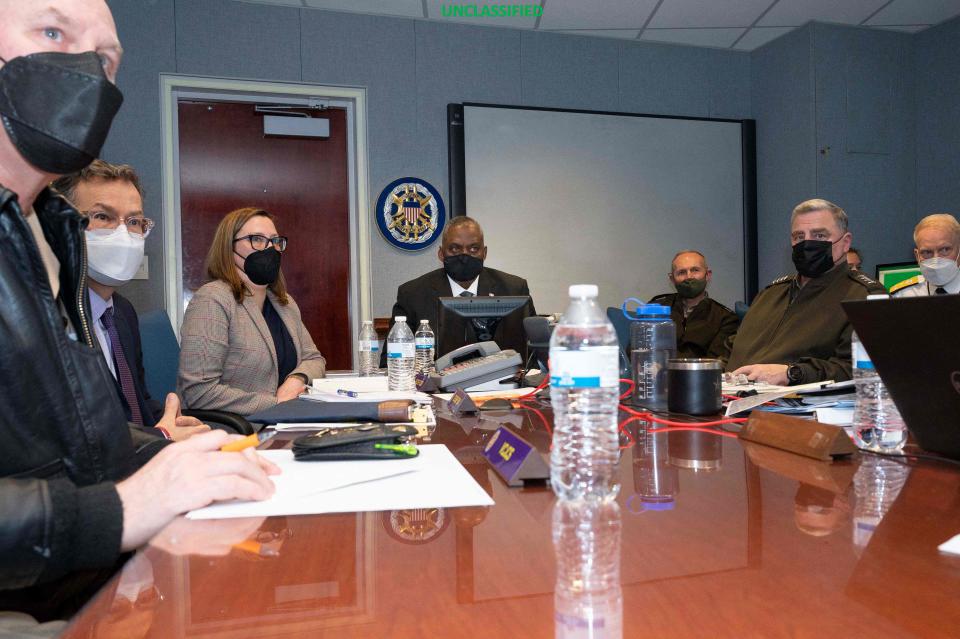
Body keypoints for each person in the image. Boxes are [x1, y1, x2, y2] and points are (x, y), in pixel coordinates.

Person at [0, 0, 278, 621]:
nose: (86, 74)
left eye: (104, 58)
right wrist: (123, 509)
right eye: (52, 32)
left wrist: (169, 458)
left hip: (79, 584)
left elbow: (67, 442)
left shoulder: (46, 240)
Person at [51, 160, 208, 440]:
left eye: (134, 221)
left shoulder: (122, 312)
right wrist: (163, 437)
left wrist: (175, 423)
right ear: (61, 224)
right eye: (102, 217)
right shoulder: (49, 317)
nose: (123, 234)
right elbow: (68, 434)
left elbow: (137, 403)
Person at [178, 207, 326, 415]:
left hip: (283, 421)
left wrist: (296, 379)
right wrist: (275, 403)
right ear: (229, 247)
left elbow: (314, 359)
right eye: (257, 239)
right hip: (234, 431)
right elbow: (199, 392)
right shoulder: (212, 299)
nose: (269, 249)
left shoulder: (284, 303)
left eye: (275, 241)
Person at [727, 199, 885, 385]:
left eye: (819, 236)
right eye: (799, 237)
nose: (807, 244)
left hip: (798, 408)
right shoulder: (770, 294)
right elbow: (732, 351)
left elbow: (860, 370)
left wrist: (792, 373)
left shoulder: (864, 297)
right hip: (731, 403)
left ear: (845, 242)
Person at [385, 216, 535, 361]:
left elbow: (534, 354)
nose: (464, 255)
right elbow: (390, 361)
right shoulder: (412, 294)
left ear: (485, 253)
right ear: (441, 254)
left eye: (474, 249)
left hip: (502, 384)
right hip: (437, 385)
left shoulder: (514, 289)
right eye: (455, 249)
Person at [648, 250, 739, 361]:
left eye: (695, 270)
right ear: (672, 279)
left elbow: (716, 362)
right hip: (658, 374)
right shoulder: (655, 309)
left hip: (699, 376)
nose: (689, 277)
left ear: (708, 275)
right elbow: (636, 349)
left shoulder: (725, 318)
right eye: (681, 272)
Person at [890, 213, 960, 297]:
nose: (936, 260)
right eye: (927, 252)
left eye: (945, 250)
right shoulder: (902, 295)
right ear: (917, 256)